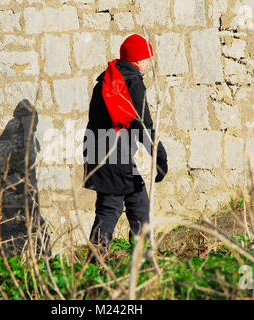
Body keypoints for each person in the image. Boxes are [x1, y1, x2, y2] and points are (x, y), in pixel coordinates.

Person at [82, 34, 168, 262]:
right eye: (147, 58)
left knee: (138, 202)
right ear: (138, 59)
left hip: (98, 150)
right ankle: (92, 269)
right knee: (109, 209)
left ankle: (145, 261)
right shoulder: (132, 81)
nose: (149, 63)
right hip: (115, 156)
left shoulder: (106, 80)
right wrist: (160, 157)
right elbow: (143, 124)